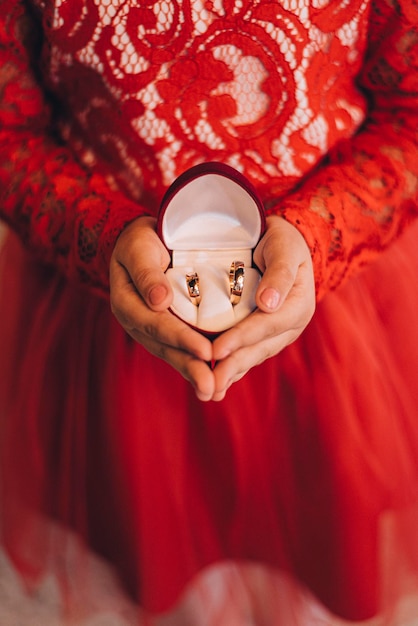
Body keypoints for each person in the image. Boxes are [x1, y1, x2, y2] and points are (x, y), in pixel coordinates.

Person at [0, 0, 417, 623]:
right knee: (149, 523)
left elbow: (409, 117)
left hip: (330, 324)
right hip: (109, 324)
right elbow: (11, 134)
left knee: (317, 518)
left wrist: (322, 233)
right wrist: (101, 235)